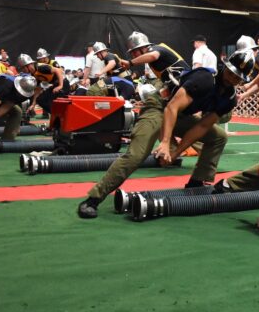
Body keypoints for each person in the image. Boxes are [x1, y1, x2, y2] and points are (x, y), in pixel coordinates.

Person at [77, 31, 196, 219]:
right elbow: (153, 57)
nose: (133, 56)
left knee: (217, 137)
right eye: (132, 54)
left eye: (134, 53)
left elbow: (153, 56)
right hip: (159, 106)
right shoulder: (158, 53)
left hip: (177, 106)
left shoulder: (159, 51)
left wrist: (130, 63)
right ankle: (94, 198)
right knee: (136, 155)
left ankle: (197, 185)